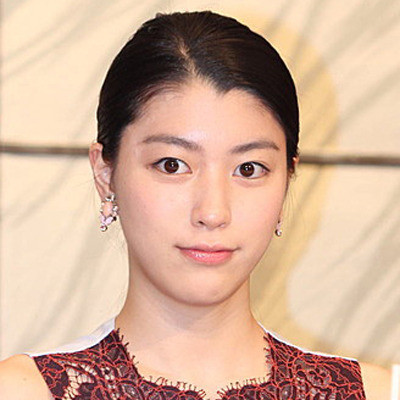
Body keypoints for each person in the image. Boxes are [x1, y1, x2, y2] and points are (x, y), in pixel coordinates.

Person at [0, 10, 392, 400]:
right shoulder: (22, 390)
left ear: (287, 178)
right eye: (172, 165)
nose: (213, 213)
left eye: (249, 169)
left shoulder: (374, 392)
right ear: (106, 175)